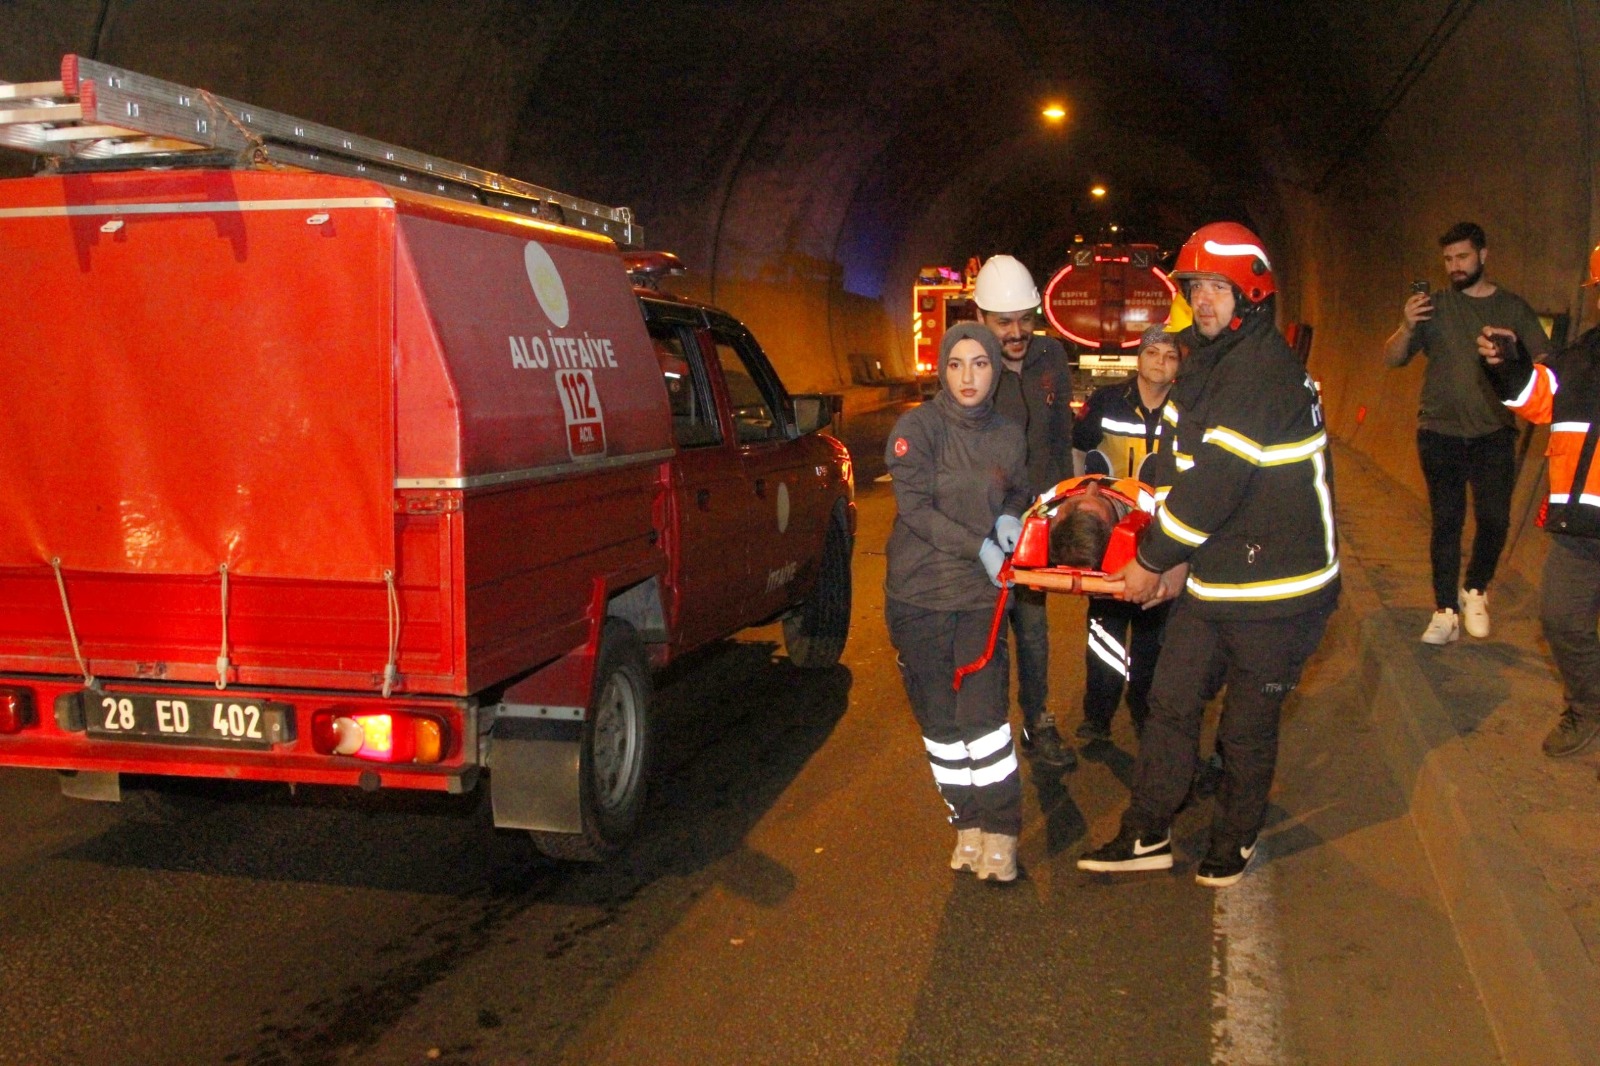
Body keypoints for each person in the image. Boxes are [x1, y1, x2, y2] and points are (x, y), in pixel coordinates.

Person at [1078, 221, 1340, 888]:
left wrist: (1152, 559)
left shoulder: (1263, 371)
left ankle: (1234, 838)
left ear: (1250, 295)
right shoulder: (1203, 365)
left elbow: (1219, 481)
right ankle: (1148, 832)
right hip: (1217, 574)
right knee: (1170, 702)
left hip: (1279, 591)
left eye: (1218, 288)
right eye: (1196, 287)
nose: (1203, 301)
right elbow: (1180, 467)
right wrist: (1168, 552)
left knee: (1246, 729)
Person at [885, 322, 1031, 883]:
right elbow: (916, 511)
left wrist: (1010, 517)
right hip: (919, 595)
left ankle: (1001, 829)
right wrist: (981, 547)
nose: (968, 376)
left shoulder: (1008, 435)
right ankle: (966, 822)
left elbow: (1018, 489)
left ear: (996, 370)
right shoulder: (917, 429)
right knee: (941, 724)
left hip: (979, 598)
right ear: (943, 370)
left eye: (980, 363)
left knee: (984, 718)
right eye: (955, 364)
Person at [1383, 222, 1549, 644]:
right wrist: (1407, 326)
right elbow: (1393, 357)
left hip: (1493, 432)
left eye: (1462, 257)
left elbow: (1545, 361)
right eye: (1448, 259)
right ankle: (1444, 612)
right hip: (1438, 432)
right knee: (1446, 522)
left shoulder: (1512, 308)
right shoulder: (1433, 307)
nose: (1454, 266)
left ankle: (1475, 588)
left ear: (1483, 255)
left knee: (1494, 518)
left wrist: (1516, 359)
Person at [1479, 242, 1600, 757]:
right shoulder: (1582, 358)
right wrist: (1508, 364)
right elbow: (1534, 396)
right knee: (1561, 620)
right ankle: (1589, 706)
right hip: (1582, 529)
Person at [972, 254, 1078, 770]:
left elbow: (1060, 436)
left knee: (1033, 633)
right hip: (985, 529)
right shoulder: (971, 366)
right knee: (989, 636)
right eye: (1003, 322)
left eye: (1024, 320)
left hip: (1034, 525)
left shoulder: (1051, 356)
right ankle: (988, 733)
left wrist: (1064, 502)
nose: (1016, 333)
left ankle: (1039, 723)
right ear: (981, 317)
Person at [1070, 325, 1180, 741]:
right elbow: (1078, 450)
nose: (1160, 363)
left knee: (1153, 637)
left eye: (1170, 356)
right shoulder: (1106, 402)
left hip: (1162, 537)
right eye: (1153, 353)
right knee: (1105, 632)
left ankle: (1143, 712)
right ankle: (1098, 717)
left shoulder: (1187, 409)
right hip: (1112, 536)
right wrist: (1084, 499)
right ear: (1139, 358)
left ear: (1178, 366)